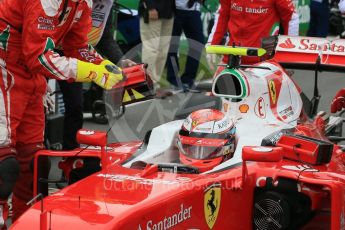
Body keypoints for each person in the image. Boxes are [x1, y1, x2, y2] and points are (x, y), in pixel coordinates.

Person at [0, 0, 124, 225]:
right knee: (4, 167)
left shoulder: (84, 2)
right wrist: (91, 73)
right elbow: (38, 57)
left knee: (36, 166)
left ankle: (25, 224)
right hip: (4, 68)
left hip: (30, 76)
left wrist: (106, 66)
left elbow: (77, 46)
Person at [207, 0, 299, 66]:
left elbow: (291, 18)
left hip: (263, 63)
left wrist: (288, 54)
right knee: (220, 89)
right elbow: (222, 15)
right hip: (231, 57)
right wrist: (211, 45)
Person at [138, 0, 175, 97]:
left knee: (162, 52)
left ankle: (155, 85)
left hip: (168, 11)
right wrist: (150, 6)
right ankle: (148, 86)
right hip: (152, 9)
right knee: (151, 49)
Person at [166, 0, 205, 90]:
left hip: (193, 9)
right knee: (172, 45)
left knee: (198, 43)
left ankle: (188, 78)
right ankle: (173, 79)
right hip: (174, 9)